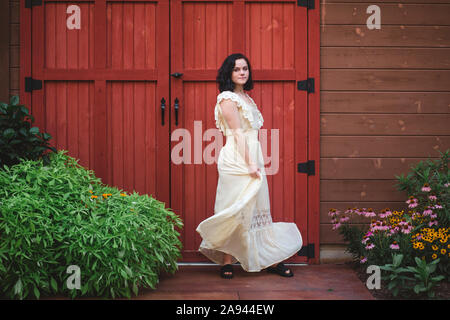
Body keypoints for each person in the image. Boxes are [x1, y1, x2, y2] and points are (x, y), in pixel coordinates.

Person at [196, 53, 302, 279]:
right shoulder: (227, 98)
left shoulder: (247, 98)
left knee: (259, 207)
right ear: (229, 73)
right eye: (237, 69)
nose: (242, 73)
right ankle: (226, 261)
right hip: (237, 159)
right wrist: (251, 163)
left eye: (245, 69)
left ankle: (269, 259)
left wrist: (257, 161)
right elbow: (237, 134)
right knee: (235, 208)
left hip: (253, 156)